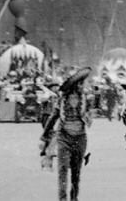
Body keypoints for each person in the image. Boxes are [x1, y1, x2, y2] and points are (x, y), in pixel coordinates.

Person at [40, 67, 92, 201]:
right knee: (62, 169)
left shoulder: (85, 99)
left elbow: (89, 120)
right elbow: (53, 117)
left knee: (76, 171)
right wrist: (44, 136)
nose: (83, 86)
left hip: (80, 138)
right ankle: (62, 199)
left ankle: (74, 198)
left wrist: (87, 115)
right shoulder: (62, 100)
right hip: (64, 137)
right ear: (76, 85)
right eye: (81, 84)